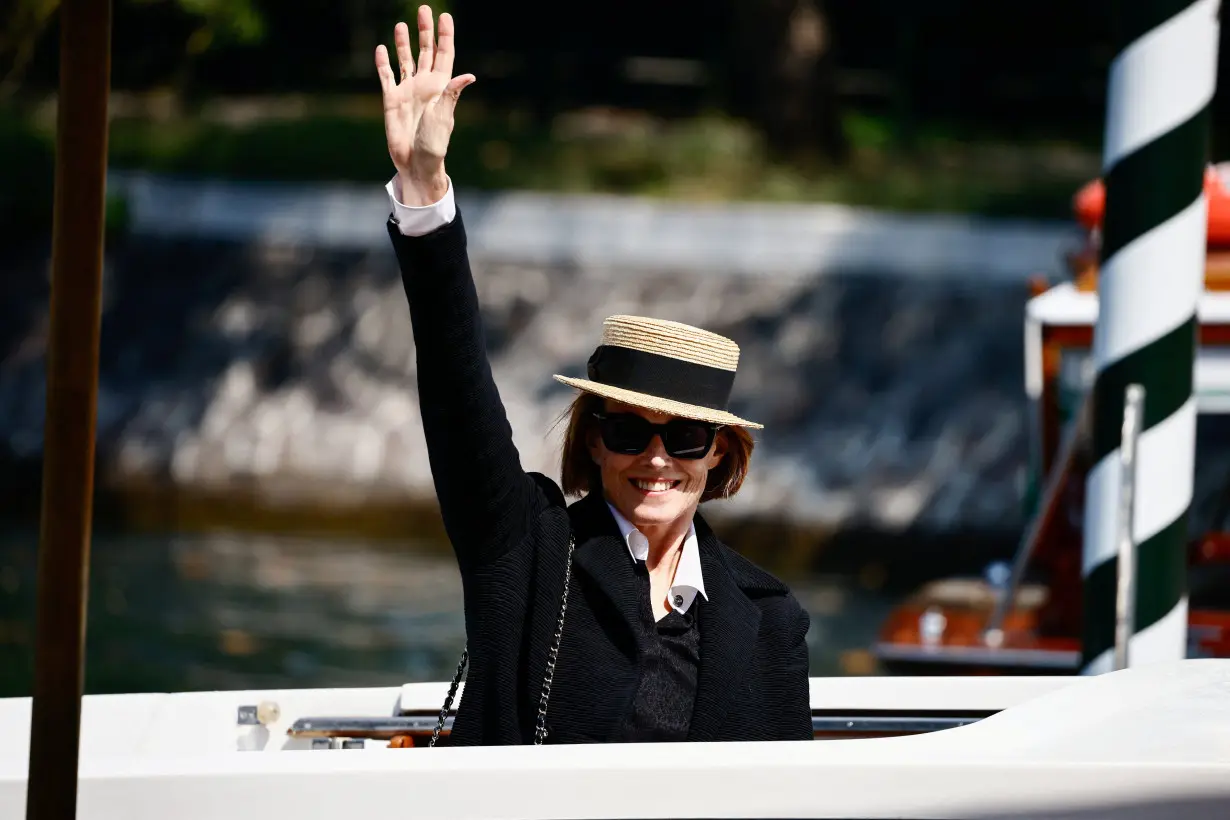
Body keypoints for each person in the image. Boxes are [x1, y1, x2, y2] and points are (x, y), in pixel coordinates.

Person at [377, 5, 812, 745]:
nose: (655, 458)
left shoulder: (768, 617)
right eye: (628, 429)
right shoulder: (527, 546)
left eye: (685, 437)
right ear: (595, 439)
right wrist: (425, 202)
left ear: (720, 454)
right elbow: (459, 401)